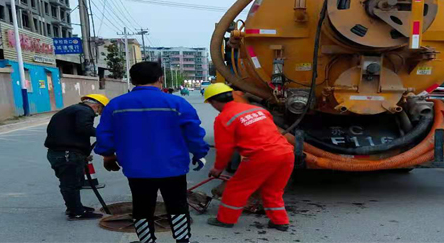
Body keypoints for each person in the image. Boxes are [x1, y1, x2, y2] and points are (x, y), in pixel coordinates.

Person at [95, 62, 209, 243]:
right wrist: (199, 153)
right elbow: (193, 133)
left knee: (141, 206)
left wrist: (108, 155)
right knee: (177, 204)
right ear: (160, 79)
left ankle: (147, 241)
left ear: (132, 80)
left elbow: (105, 134)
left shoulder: (116, 105)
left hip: (136, 168)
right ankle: (182, 240)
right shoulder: (176, 103)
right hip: (173, 167)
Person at [204, 83, 294, 231]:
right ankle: (280, 221)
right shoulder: (257, 109)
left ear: (213, 102)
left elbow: (225, 149)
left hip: (261, 156)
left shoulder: (224, 118)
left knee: (236, 188)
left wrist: (217, 168)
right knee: (273, 191)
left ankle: (225, 220)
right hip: (285, 153)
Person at [44, 94, 109, 220]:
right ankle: (77, 212)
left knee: (72, 182)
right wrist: (104, 134)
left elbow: (75, 133)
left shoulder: (73, 110)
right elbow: (84, 128)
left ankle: (74, 207)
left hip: (61, 153)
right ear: (97, 105)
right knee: (70, 184)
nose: (99, 114)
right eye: (101, 110)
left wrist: (83, 153)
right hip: (67, 154)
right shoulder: (85, 111)